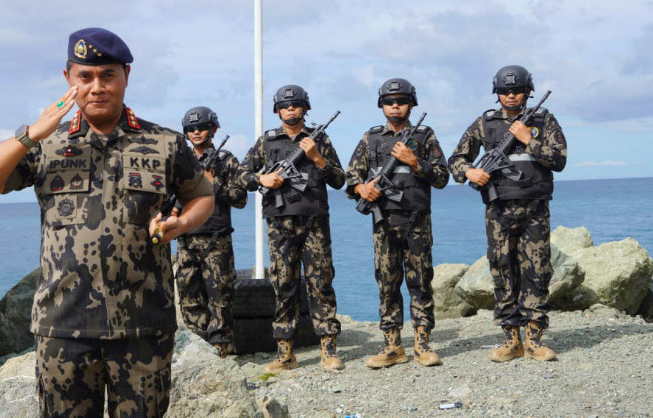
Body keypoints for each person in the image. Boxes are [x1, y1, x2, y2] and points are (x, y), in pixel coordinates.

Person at [0, 27, 214, 417]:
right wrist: (31, 134)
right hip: (63, 326)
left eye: (108, 76)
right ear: (69, 80)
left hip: (143, 326)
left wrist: (181, 225)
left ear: (126, 77)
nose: (97, 87)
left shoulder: (165, 143)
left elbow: (202, 196)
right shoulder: (46, 145)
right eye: (85, 77)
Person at [448, 65, 567, 363]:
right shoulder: (484, 123)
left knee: (537, 271)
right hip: (499, 208)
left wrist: (529, 138)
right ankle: (510, 339)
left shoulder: (544, 119)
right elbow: (456, 160)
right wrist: (470, 172)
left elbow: (559, 159)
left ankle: (535, 339)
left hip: (535, 208)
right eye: (504, 91)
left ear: (528, 92)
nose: (510, 96)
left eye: (516, 90)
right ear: (497, 93)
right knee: (502, 270)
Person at [237, 84, 346, 373]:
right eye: (285, 106)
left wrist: (317, 158)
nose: (290, 109)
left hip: (314, 222)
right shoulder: (267, 142)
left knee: (321, 283)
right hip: (280, 223)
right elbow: (240, 174)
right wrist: (263, 180)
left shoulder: (318, 140)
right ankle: (285, 353)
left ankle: (329, 350)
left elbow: (339, 179)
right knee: (284, 284)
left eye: (296, 105)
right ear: (277, 111)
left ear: (305, 108)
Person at [345, 78, 449, 369]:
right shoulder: (371, 138)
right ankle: (392, 346)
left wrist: (414, 162)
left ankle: (422, 344)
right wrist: (361, 189)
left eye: (401, 101)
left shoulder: (425, 136)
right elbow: (351, 177)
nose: (395, 105)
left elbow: (442, 177)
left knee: (420, 281)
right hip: (384, 221)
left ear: (411, 104)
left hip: (417, 220)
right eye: (389, 101)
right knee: (387, 283)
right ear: (382, 106)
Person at [176, 106, 247, 358]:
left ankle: (221, 347)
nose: (196, 132)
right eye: (191, 129)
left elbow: (240, 199)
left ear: (213, 129)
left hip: (216, 238)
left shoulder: (225, 160)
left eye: (201, 127)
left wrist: (212, 183)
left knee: (220, 295)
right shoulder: (181, 159)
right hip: (185, 237)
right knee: (188, 293)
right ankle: (200, 345)